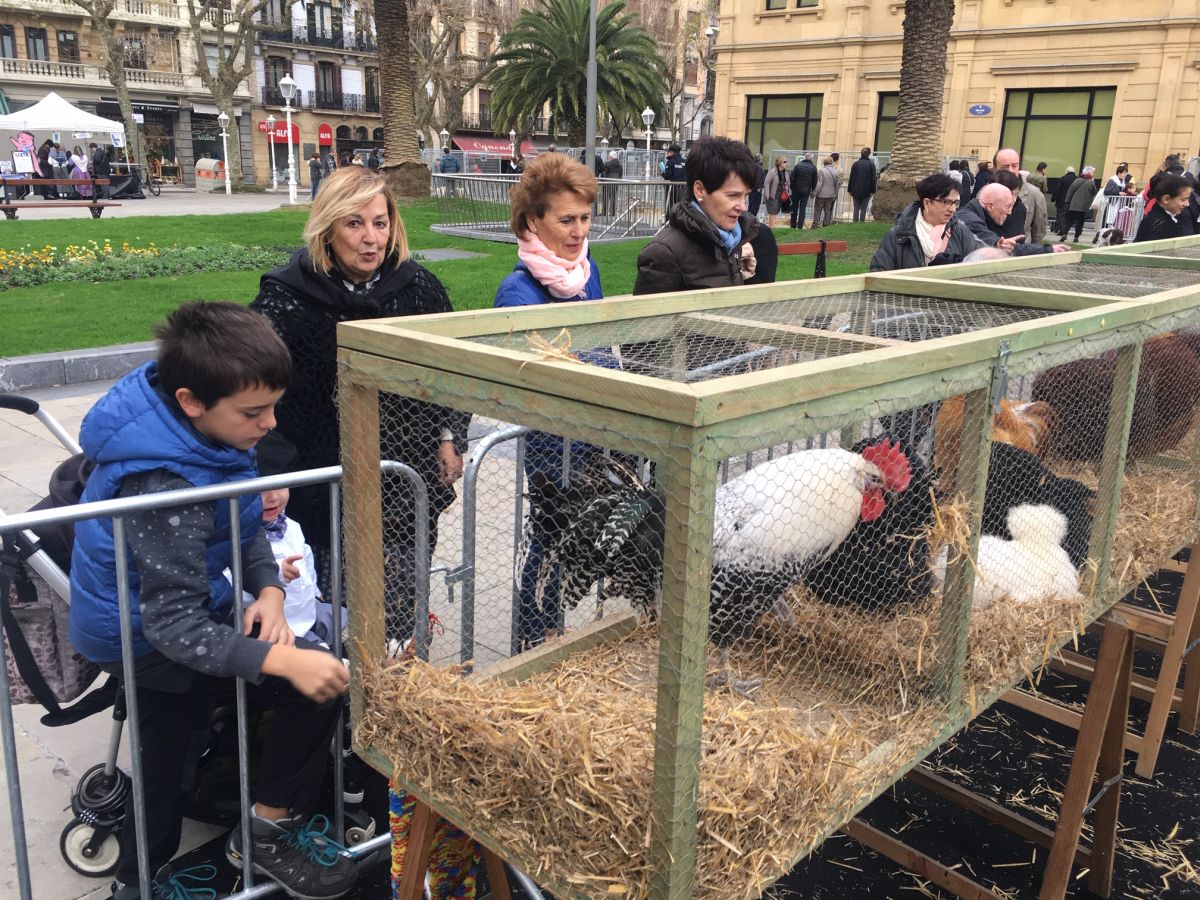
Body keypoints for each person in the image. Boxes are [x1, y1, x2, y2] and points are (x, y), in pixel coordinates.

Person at [69, 302, 356, 900]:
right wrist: (281, 659)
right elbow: (173, 628)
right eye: (256, 412)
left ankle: (263, 829)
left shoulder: (211, 432)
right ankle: (136, 883)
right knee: (165, 769)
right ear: (191, 400)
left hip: (192, 608)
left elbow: (243, 519)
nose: (271, 424)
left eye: (273, 405)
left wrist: (271, 592)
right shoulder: (164, 485)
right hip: (141, 637)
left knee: (319, 679)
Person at [251, 166, 469, 650]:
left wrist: (452, 436)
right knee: (337, 608)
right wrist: (273, 474)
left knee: (403, 604)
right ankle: (345, 709)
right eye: (354, 223)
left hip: (402, 473)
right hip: (325, 481)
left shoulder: (418, 290)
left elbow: (452, 371)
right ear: (327, 227)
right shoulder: (286, 301)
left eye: (380, 222)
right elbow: (254, 393)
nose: (370, 238)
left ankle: (403, 688)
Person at [494, 153, 604, 648]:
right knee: (550, 540)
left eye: (584, 217)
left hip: (591, 433)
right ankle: (533, 640)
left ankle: (554, 628)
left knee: (580, 539)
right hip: (549, 441)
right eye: (566, 220)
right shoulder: (518, 293)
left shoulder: (587, 272)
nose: (579, 230)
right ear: (533, 221)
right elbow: (532, 381)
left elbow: (600, 343)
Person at [634, 135, 761, 295]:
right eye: (733, 195)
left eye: (746, 196)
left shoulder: (734, 241)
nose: (743, 207)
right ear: (700, 190)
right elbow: (646, 319)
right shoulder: (664, 254)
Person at [869, 172, 982, 271]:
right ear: (927, 203)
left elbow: (977, 268)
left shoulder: (960, 232)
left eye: (955, 203)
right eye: (946, 202)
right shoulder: (897, 236)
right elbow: (880, 275)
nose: (952, 209)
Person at [960, 182, 1069, 254]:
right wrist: (1049, 250)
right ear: (990, 206)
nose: (1010, 212)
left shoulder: (979, 214)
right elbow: (1001, 246)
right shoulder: (968, 220)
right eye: (1007, 207)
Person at [1134, 172, 1193, 242]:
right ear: (1166, 199)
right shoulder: (1161, 225)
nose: (1187, 204)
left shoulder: (1159, 219)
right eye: (1183, 199)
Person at [1058, 165, 1098, 242]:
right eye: (1092, 173)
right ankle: (1076, 237)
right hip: (1083, 206)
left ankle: (1065, 234)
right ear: (1089, 173)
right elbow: (1094, 192)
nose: (1093, 174)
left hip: (1073, 205)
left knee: (1069, 220)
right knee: (1080, 221)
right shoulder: (1091, 182)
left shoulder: (1077, 180)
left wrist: (1067, 201)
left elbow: (1070, 191)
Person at [848, 147, 878, 223]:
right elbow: (873, 179)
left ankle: (855, 223)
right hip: (866, 190)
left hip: (855, 189)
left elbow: (851, 177)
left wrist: (849, 189)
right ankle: (861, 223)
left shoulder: (855, 164)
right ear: (869, 154)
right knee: (864, 208)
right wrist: (873, 190)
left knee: (856, 207)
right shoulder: (871, 165)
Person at [812, 155, 840, 228]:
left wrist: (814, 193)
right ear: (831, 163)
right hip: (831, 195)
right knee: (827, 210)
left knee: (818, 210)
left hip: (821, 195)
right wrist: (835, 194)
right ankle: (826, 225)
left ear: (824, 163)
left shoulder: (822, 171)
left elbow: (819, 184)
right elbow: (837, 185)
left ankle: (815, 225)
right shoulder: (836, 172)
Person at [790, 153, 817, 228]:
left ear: (804, 158)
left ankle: (793, 225)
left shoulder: (798, 166)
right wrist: (812, 190)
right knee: (803, 209)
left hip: (796, 190)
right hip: (806, 191)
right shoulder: (813, 168)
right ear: (811, 159)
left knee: (794, 208)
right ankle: (800, 226)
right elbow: (815, 181)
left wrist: (792, 187)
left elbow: (792, 177)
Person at [763, 155, 789, 228]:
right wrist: (767, 194)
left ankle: (772, 227)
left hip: (781, 195)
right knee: (773, 212)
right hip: (773, 195)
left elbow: (787, 182)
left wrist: (787, 190)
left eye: (786, 162)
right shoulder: (772, 172)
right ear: (780, 163)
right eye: (784, 162)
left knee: (776, 211)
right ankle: (771, 228)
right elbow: (766, 182)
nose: (786, 163)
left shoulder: (785, 172)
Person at [662, 142, 686, 212]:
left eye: (668, 152)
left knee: (670, 207)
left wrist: (663, 173)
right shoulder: (685, 161)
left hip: (671, 189)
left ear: (672, 152)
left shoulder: (670, 162)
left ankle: (669, 221)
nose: (667, 153)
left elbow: (667, 175)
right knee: (681, 207)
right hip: (683, 188)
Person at [1053, 165, 1077, 234]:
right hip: (1073, 202)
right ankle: (1064, 230)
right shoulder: (1077, 180)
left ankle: (1063, 231)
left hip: (1062, 201)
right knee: (1068, 217)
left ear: (1067, 171)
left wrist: (1053, 198)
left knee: (1061, 216)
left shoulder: (1062, 179)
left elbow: (1057, 189)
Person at [748, 153, 765, 217]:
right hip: (756, 189)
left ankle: (748, 219)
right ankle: (751, 220)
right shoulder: (759, 167)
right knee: (755, 205)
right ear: (760, 159)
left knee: (751, 204)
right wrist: (759, 188)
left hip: (751, 188)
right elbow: (759, 179)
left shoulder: (752, 166)